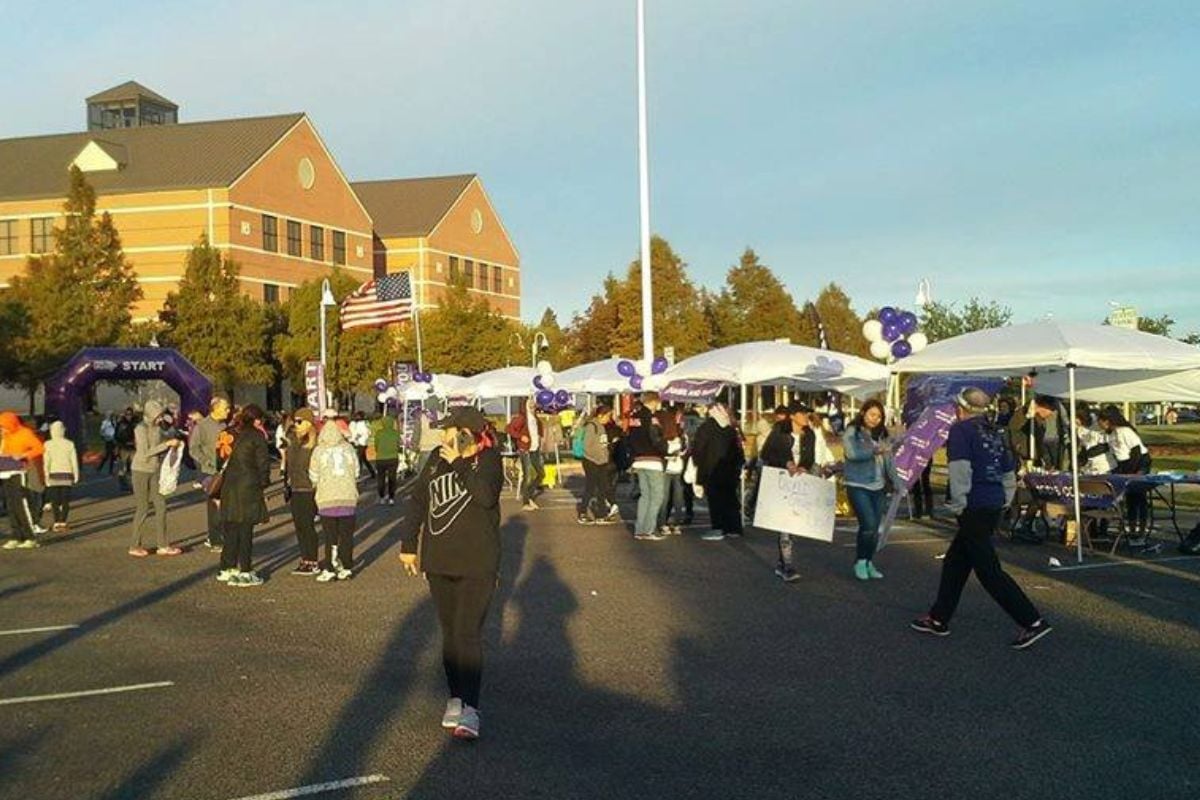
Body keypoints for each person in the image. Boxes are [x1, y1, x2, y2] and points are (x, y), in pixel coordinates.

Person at [911, 387, 1052, 650]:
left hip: (973, 504)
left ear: (960, 409)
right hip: (993, 501)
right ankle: (939, 617)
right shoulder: (996, 430)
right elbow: (1009, 469)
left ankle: (1032, 620)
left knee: (988, 570)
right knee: (956, 562)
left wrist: (958, 504)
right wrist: (1005, 499)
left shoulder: (960, 431)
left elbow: (960, 470)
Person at [398, 406, 504, 741]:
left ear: (467, 432)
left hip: (478, 562)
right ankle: (456, 697)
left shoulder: (489, 459)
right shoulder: (434, 458)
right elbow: (417, 501)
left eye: (449, 430)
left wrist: (459, 461)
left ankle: (471, 708)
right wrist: (408, 544)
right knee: (450, 633)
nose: (443, 436)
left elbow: (486, 497)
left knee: (467, 632)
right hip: (440, 559)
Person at [759, 400, 835, 581]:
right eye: (801, 413)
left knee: (794, 523)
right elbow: (767, 453)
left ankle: (782, 563)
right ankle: (787, 566)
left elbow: (809, 457)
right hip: (782, 480)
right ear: (792, 415)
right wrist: (787, 463)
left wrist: (804, 467)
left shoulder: (809, 434)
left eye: (806, 413)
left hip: (800, 482)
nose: (805, 416)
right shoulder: (780, 430)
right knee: (785, 524)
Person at [216, 405, 272, 587]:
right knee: (245, 529)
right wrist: (264, 483)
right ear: (256, 419)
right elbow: (263, 464)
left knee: (231, 527)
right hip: (249, 485)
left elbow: (219, 458)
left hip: (229, 485)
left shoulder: (226, 433)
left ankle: (227, 567)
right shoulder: (257, 436)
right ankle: (245, 570)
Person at [842, 400, 891, 581]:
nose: (875, 419)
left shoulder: (882, 434)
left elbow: (888, 460)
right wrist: (874, 452)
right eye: (872, 415)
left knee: (875, 528)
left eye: (879, 416)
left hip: (879, 485)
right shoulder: (852, 432)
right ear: (863, 413)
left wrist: (895, 481)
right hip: (858, 484)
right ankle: (860, 561)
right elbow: (851, 454)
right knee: (868, 524)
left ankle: (869, 561)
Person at [128, 401, 184, 558]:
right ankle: (134, 544)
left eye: (161, 416)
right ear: (152, 415)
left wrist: (173, 441)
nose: (160, 419)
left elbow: (165, 439)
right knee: (143, 508)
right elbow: (145, 452)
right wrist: (166, 444)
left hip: (155, 470)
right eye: (158, 416)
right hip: (140, 470)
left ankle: (163, 544)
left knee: (161, 505)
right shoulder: (140, 428)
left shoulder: (158, 428)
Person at [310, 419, 359, 582]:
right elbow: (357, 471)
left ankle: (330, 567)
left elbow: (313, 475)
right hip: (348, 497)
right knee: (346, 535)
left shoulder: (319, 450)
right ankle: (346, 567)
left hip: (327, 498)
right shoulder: (349, 449)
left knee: (330, 535)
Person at [691, 403, 745, 543]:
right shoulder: (731, 427)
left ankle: (718, 527)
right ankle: (734, 528)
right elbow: (739, 450)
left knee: (715, 500)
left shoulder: (706, 428)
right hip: (730, 470)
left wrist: (698, 464)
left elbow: (698, 449)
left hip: (711, 470)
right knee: (730, 499)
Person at [1097, 406, 1151, 541]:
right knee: (1130, 500)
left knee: (1139, 497)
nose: (1099, 424)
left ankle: (1141, 531)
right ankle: (1132, 530)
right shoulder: (1110, 434)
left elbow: (1136, 451)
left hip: (1138, 462)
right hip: (1124, 465)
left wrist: (1133, 472)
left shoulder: (1125, 431)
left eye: (1100, 421)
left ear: (1108, 421)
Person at [281, 408, 321, 575]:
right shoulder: (292, 440)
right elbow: (288, 461)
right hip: (295, 487)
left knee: (307, 525)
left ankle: (312, 560)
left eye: (299, 421)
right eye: (295, 421)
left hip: (309, 488)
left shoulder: (315, 443)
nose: (296, 424)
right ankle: (305, 558)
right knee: (299, 526)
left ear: (309, 423)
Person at [190, 396, 231, 551]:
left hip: (224, 470)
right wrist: (206, 461)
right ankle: (215, 539)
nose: (228, 411)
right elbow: (193, 448)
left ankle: (223, 535)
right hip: (209, 471)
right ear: (215, 408)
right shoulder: (202, 426)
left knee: (225, 504)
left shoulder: (224, 425)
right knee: (214, 504)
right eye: (225, 408)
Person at [627, 392, 668, 542]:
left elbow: (630, 439)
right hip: (653, 459)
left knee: (645, 496)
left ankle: (640, 529)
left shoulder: (634, 418)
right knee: (657, 496)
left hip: (638, 459)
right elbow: (656, 438)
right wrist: (667, 449)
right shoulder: (652, 418)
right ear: (654, 401)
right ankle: (649, 529)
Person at [0, 412, 45, 549]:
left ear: (11, 424)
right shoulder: (5, 436)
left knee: (21, 506)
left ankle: (30, 537)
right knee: (11, 506)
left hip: (19, 473)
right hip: (5, 473)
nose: (2, 429)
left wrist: (23, 455)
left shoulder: (25, 433)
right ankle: (16, 536)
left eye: (3, 426)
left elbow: (40, 448)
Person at [578, 405, 616, 525]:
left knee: (602, 488)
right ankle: (582, 512)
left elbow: (602, 444)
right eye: (608, 416)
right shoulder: (592, 426)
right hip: (592, 461)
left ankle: (602, 514)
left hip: (602, 461)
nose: (608, 419)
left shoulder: (601, 427)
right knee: (590, 487)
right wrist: (597, 457)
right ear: (600, 415)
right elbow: (587, 446)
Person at [42, 421, 80, 533]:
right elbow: (74, 461)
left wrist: (46, 475)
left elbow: (46, 462)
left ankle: (56, 521)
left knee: (54, 500)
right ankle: (63, 521)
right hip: (67, 474)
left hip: (54, 474)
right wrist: (76, 474)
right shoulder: (69, 444)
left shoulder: (47, 444)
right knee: (65, 500)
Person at [507, 399, 545, 511]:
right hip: (525, 450)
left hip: (535, 449)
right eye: (530, 403)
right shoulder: (522, 417)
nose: (533, 405)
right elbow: (509, 428)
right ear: (526, 405)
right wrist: (520, 437)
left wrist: (540, 437)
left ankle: (528, 496)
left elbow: (538, 429)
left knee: (541, 474)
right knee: (527, 476)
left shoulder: (535, 417)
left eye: (534, 403)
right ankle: (525, 502)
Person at [659, 406, 687, 535]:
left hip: (665, 468)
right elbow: (686, 450)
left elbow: (660, 450)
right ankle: (676, 524)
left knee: (665, 497)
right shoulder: (681, 435)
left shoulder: (662, 434)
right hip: (678, 467)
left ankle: (663, 523)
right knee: (678, 497)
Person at [370, 413, 401, 505]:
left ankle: (382, 497)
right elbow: (398, 445)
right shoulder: (396, 433)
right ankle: (391, 497)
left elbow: (376, 446)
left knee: (381, 478)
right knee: (392, 478)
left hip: (381, 458)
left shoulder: (379, 433)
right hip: (393, 458)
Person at [114, 408, 136, 491]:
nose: (129, 416)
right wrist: (120, 445)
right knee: (123, 467)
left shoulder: (135, 423)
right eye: (127, 414)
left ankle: (133, 484)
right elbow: (117, 436)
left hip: (133, 448)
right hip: (124, 448)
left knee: (133, 467)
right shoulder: (121, 424)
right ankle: (123, 484)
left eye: (130, 414)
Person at [350, 411, 376, 480]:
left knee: (359, 459)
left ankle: (358, 473)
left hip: (361, 442)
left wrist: (355, 438)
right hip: (361, 442)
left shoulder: (362, 423)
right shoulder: (362, 423)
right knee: (363, 459)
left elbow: (362, 433)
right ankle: (372, 472)